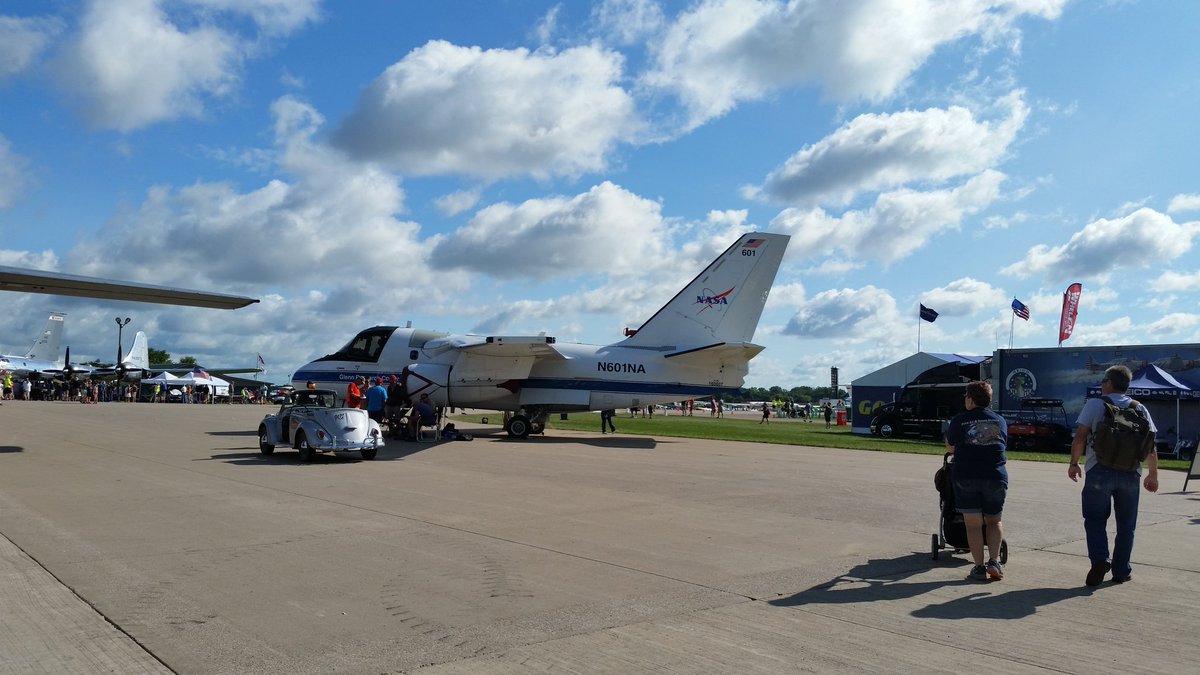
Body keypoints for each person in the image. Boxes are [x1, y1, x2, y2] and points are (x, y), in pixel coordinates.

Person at [1069, 365, 1159, 587]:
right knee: (1127, 525)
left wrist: (1074, 463)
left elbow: (1080, 437)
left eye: (1103, 381)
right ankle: (1121, 570)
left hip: (1098, 470)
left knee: (1095, 520)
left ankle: (1100, 559)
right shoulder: (1140, 409)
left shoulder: (1095, 405)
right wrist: (1153, 475)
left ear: (1109, 383)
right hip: (1130, 473)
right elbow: (1150, 446)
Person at [943, 380, 1008, 582]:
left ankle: (979, 567)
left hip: (966, 475)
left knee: (972, 524)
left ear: (970, 400)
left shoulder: (960, 420)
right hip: (995, 476)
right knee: (994, 520)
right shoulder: (1000, 420)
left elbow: (951, 448)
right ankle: (994, 561)